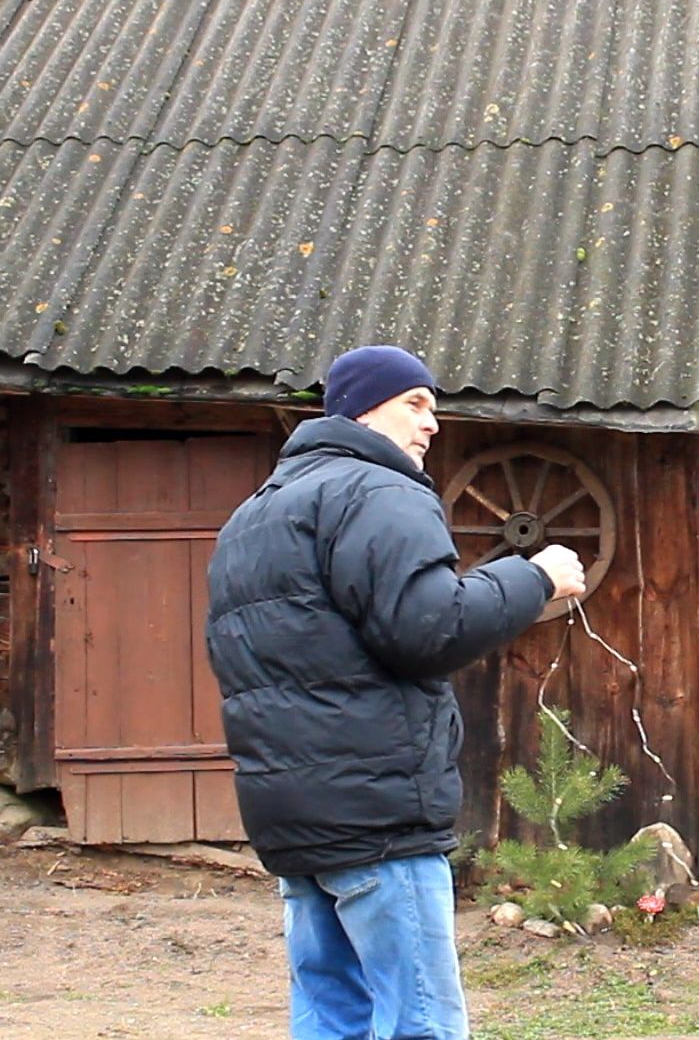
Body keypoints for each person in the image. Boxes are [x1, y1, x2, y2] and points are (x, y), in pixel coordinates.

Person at [206, 345, 586, 1040]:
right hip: (378, 816)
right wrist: (534, 578)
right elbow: (427, 628)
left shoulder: (251, 518)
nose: (432, 424)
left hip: (292, 817)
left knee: (332, 1021)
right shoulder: (380, 491)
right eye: (415, 404)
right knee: (419, 1024)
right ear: (362, 409)